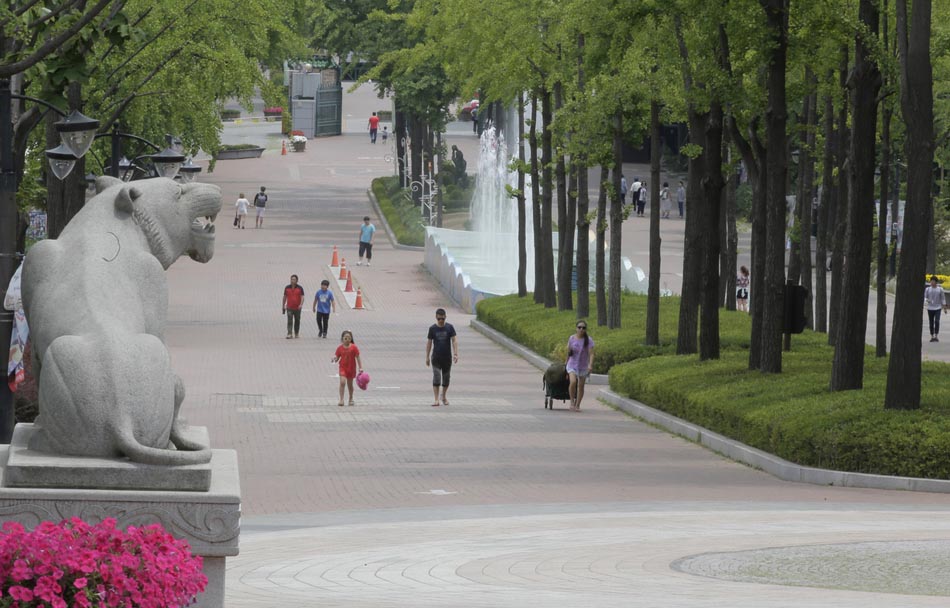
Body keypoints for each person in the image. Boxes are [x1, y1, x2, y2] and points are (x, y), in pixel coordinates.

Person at [426, 308, 458, 407]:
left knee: (446, 378)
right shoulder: (432, 329)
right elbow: (429, 343)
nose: (441, 321)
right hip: (436, 357)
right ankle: (436, 399)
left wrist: (456, 354)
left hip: (447, 358)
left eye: (442, 319)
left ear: (445, 317)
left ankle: (443, 396)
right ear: (436, 317)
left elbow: (454, 340)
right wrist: (427, 357)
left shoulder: (450, 328)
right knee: (436, 377)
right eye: (439, 319)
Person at [566, 321, 594, 411]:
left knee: (581, 386)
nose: (581, 329)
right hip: (572, 364)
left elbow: (592, 354)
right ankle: (571, 402)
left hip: (583, 366)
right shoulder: (572, 338)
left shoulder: (588, 340)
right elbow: (568, 352)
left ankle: (578, 405)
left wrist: (590, 365)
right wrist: (565, 363)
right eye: (579, 327)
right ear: (576, 328)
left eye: (583, 328)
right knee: (573, 382)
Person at [332, 330, 363, 406]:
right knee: (342, 382)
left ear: (351, 339)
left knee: (350, 384)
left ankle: (351, 398)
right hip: (343, 368)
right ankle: (341, 399)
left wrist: (360, 367)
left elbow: (358, 357)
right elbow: (337, 357)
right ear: (342, 339)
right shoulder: (340, 348)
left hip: (351, 368)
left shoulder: (354, 347)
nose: (347, 340)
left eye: (349, 338)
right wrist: (334, 359)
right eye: (345, 338)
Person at [281, 274, 304, 339]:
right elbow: (285, 297)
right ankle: (289, 333)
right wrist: (283, 305)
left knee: (297, 320)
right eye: (291, 279)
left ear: (297, 281)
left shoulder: (300, 288)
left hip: (297, 308)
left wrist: (301, 304)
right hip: (289, 307)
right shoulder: (287, 287)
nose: (292, 280)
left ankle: (296, 333)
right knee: (289, 320)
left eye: (294, 279)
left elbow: (302, 297)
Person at [925, 275, 946, 343]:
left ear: (936, 282)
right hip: (930, 308)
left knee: (937, 321)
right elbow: (925, 297)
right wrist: (927, 300)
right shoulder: (928, 289)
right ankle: (932, 335)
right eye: (931, 281)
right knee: (931, 322)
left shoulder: (940, 289)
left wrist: (944, 307)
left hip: (938, 308)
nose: (932, 282)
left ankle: (936, 335)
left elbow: (943, 298)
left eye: (933, 281)